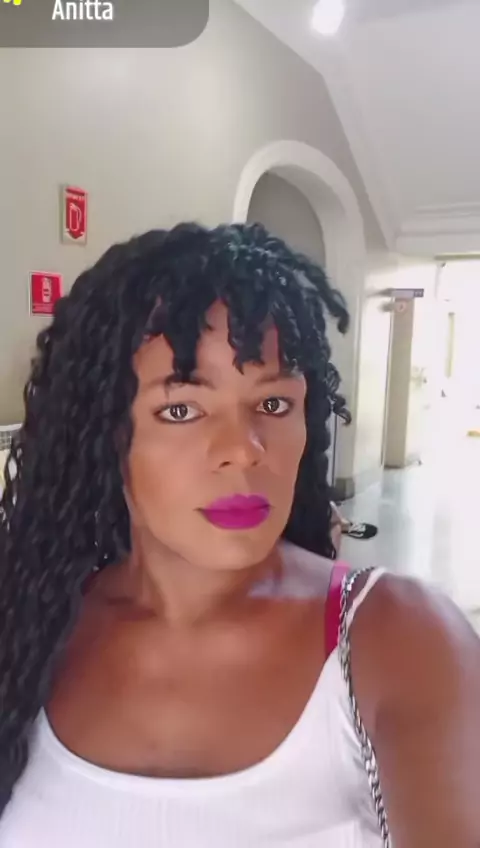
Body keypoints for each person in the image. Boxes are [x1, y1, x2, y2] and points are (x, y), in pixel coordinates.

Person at [0, 223, 479, 848]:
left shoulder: (399, 637)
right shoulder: (25, 626)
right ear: (103, 435)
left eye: (274, 405)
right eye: (181, 410)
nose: (245, 450)